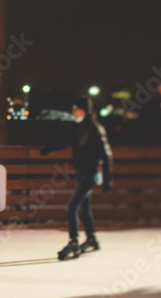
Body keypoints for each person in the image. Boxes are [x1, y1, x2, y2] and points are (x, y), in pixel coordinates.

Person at [40, 96, 113, 260]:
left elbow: (106, 154)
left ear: (84, 110)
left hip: (91, 175)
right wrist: (48, 148)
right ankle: (92, 238)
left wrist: (107, 179)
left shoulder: (95, 128)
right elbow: (63, 139)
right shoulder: (78, 128)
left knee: (71, 207)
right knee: (84, 208)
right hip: (82, 173)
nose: (73, 112)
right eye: (72, 109)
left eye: (75, 109)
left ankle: (73, 241)